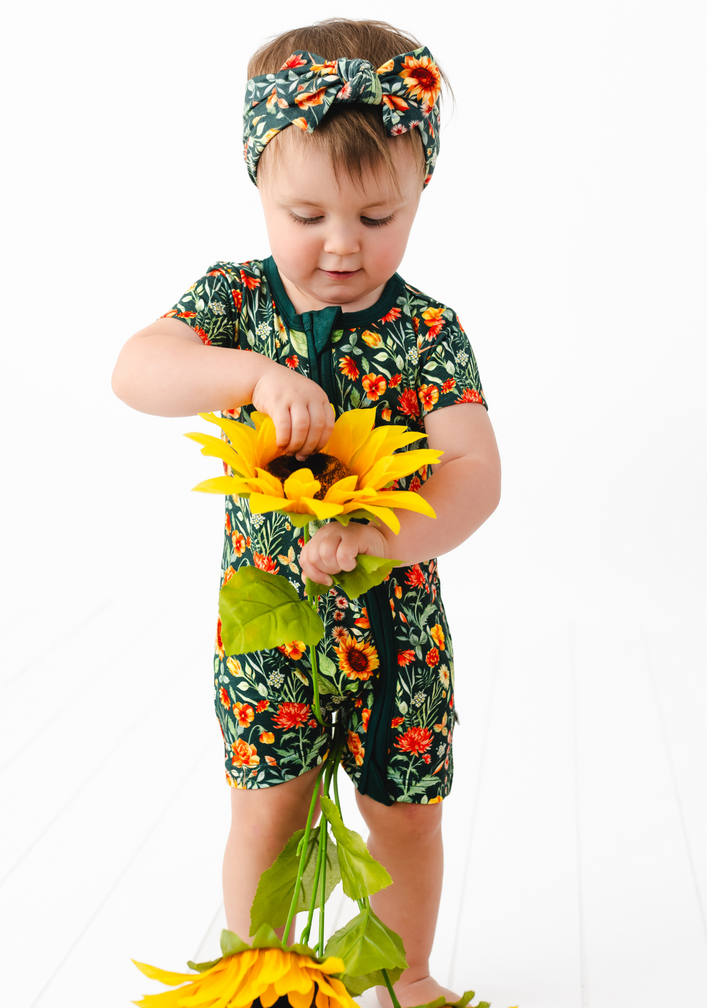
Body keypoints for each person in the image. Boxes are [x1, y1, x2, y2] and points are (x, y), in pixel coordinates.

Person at [112, 17, 501, 1008]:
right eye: (305, 213)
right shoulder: (239, 304)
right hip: (268, 628)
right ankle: (265, 972)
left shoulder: (424, 332)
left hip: (395, 628)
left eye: (378, 219)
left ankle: (404, 973)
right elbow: (137, 369)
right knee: (269, 809)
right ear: (257, 185)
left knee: (405, 814)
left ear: (420, 192)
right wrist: (246, 374)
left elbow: (474, 471)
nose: (340, 246)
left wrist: (390, 536)